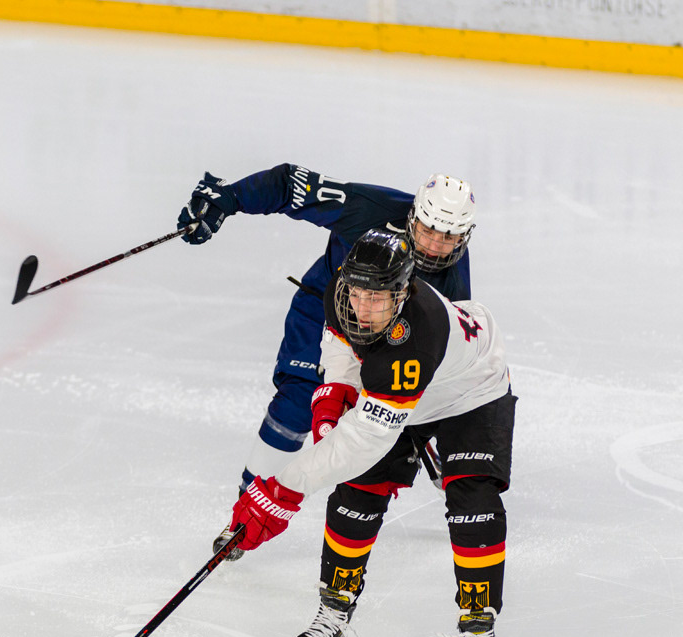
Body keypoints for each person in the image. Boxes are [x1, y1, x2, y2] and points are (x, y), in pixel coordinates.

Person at [226, 228, 516, 637]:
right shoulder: (343, 294)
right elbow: (341, 342)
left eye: (377, 298)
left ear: (402, 294)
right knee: (356, 494)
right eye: (356, 293)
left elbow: (365, 440)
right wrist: (334, 391)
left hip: (470, 393)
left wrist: (282, 489)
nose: (362, 308)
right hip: (400, 393)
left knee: (473, 502)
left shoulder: (417, 336)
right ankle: (334, 607)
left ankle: (479, 626)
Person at [177, 167, 477, 548]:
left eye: (449, 238)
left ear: (465, 236)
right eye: (428, 230)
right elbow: (289, 184)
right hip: (324, 311)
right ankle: (247, 507)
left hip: (385, 338)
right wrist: (231, 198)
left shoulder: (454, 278)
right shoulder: (371, 208)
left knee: (389, 418)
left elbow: (446, 351)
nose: (434, 246)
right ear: (413, 216)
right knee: (297, 401)